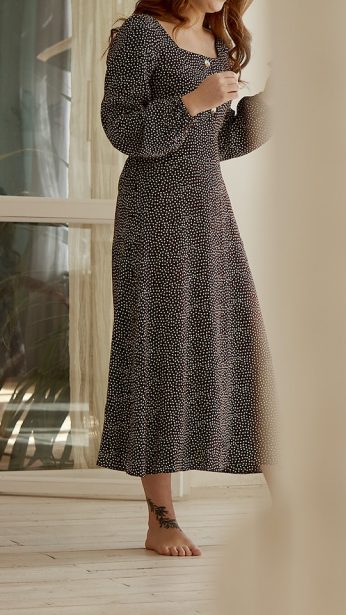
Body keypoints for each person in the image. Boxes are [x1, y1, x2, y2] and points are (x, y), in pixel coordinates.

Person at [99, 0, 273, 557]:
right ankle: (161, 518)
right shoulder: (141, 36)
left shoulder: (219, 40)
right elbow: (122, 129)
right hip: (153, 213)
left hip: (208, 210)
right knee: (160, 351)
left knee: (242, 348)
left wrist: (272, 103)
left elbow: (218, 143)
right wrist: (191, 102)